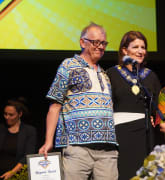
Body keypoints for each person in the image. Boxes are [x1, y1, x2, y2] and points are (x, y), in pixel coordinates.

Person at [38, 23, 118, 180]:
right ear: (83, 42)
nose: (100, 47)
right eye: (96, 42)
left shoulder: (104, 74)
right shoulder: (68, 65)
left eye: (103, 43)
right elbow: (55, 105)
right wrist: (48, 141)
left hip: (107, 150)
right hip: (77, 147)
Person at [106, 31, 161, 180]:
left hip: (145, 135)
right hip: (121, 134)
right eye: (136, 47)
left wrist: (153, 118)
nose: (140, 51)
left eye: (143, 47)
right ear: (124, 50)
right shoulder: (111, 74)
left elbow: (157, 108)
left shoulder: (151, 76)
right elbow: (106, 107)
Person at [0, 98, 37, 180]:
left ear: (20, 114)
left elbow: (28, 155)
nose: (7, 117)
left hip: (17, 175)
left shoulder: (29, 131)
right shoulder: (1, 128)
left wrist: (12, 172)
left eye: (11, 115)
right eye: (5, 114)